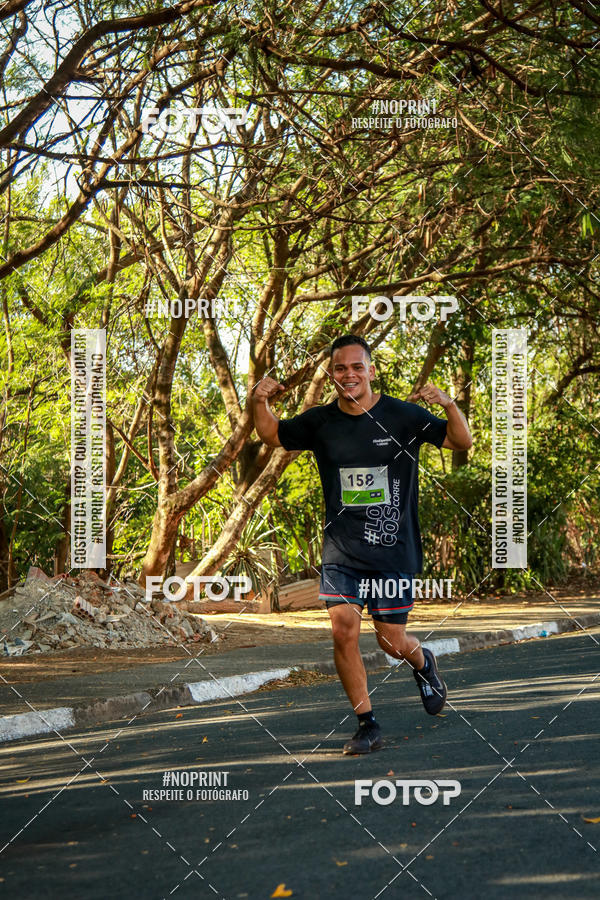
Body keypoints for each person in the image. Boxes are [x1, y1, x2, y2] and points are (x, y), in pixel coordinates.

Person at [252, 334, 473, 754]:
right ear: (332, 375)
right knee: (343, 631)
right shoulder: (319, 422)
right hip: (342, 550)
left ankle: (423, 662)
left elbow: (460, 441)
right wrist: (258, 401)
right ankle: (366, 723)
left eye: (357, 367)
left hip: (392, 548)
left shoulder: (404, 415)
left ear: (371, 372)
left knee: (390, 642)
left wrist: (447, 404)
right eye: (340, 368)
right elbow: (272, 435)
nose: (348, 374)